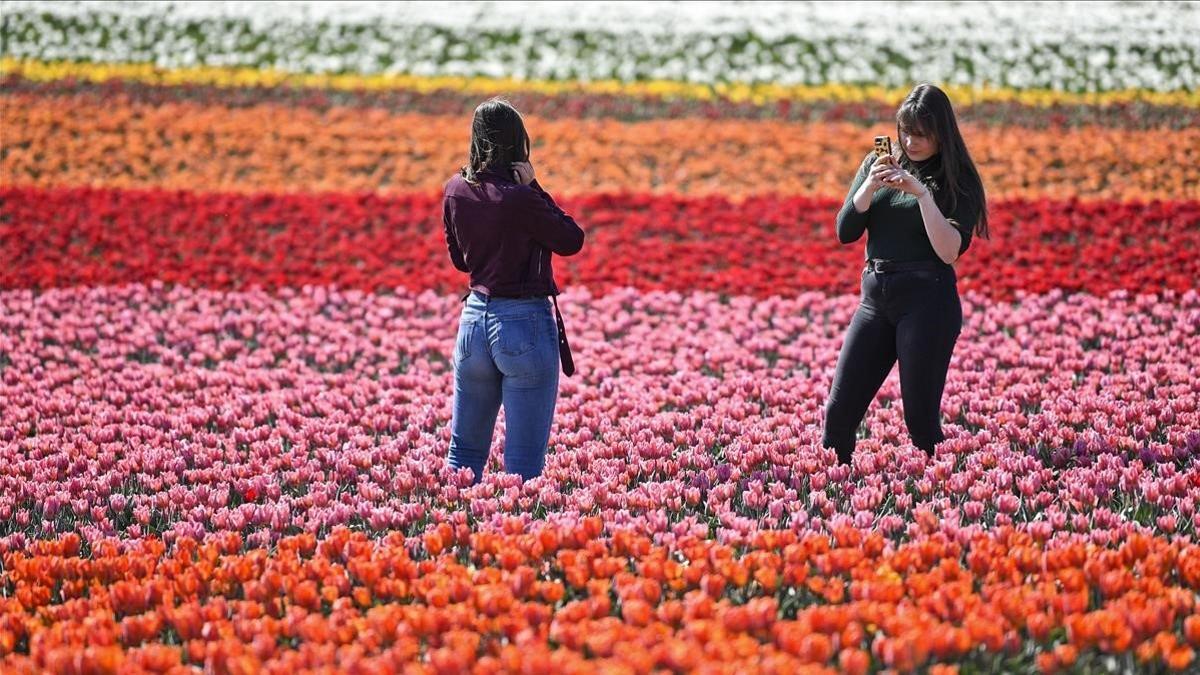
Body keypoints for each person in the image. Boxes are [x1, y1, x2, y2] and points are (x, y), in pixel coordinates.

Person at [822, 83, 989, 466]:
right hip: (876, 298)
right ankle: (833, 496)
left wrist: (922, 196)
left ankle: (945, 503)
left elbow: (948, 251)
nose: (911, 142)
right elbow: (845, 232)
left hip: (927, 301)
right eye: (906, 132)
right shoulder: (879, 163)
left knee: (920, 422)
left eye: (922, 134)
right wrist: (869, 185)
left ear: (941, 134)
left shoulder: (957, 179)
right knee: (839, 413)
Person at [443, 97, 585, 485]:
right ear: (516, 144)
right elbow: (571, 239)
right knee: (522, 463)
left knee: (463, 455)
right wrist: (535, 186)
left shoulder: (455, 190)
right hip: (522, 323)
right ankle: (511, 541)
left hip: (473, 322)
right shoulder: (522, 198)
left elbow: (461, 261)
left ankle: (456, 538)